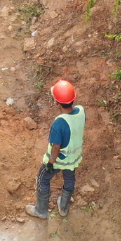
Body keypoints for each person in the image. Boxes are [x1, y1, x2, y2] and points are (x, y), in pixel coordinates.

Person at [29, 80, 84, 218]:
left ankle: (41, 211)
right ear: (74, 98)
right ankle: (63, 208)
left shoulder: (59, 123)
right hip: (74, 158)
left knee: (43, 179)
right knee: (69, 179)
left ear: (56, 102)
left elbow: (56, 147)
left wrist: (50, 163)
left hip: (59, 160)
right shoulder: (81, 111)